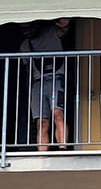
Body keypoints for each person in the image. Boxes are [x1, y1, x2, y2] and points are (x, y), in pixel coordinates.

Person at [20, 18, 70, 151]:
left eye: (27, 26)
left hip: (56, 79)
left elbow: (65, 23)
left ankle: (63, 148)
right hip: (37, 83)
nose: (26, 31)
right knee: (41, 122)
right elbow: (28, 69)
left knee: (58, 114)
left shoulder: (51, 31)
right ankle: (42, 154)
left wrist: (52, 17)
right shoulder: (25, 45)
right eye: (23, 28)